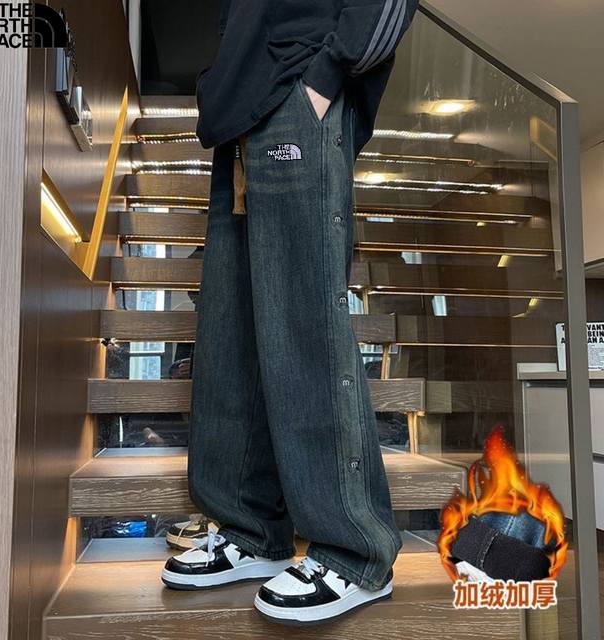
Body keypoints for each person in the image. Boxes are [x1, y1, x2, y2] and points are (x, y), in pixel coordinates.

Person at [161, 0, 420, 625]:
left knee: (304, 325)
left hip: (298, 95)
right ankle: (250, 530)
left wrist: (325, 78)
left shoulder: (314, 84)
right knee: (233, 333)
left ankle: (354, 549)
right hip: (241, 115)